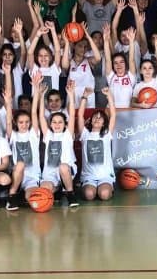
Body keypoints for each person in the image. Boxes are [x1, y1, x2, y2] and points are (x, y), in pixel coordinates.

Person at [37, 75, 79, 207]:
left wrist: (71, 95)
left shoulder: (67, 134)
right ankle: (58, 189)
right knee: (44, 189)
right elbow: (41, 116)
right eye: (54, 122)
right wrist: (41, 96)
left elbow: (72, 114)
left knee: (63, 167)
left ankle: (70, 193)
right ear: (50, 124)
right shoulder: (48, 135)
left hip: (66, 170)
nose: (56, 124)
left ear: (65, 124)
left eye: (60, 122)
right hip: (50, 171)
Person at [80, 88, 118, 201]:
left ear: (103, 123)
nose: (97, 119)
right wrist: (85, 96)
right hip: (89, 176)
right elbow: (80, 114)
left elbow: (113, 115)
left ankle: (107, 187)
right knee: (89, 195)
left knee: (104, 195)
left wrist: (109, 96)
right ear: (90, 120)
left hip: (105, 176)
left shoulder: (106, 134)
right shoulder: (84, 134)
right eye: (95, 117)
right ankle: (91, 188)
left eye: (100, 118)